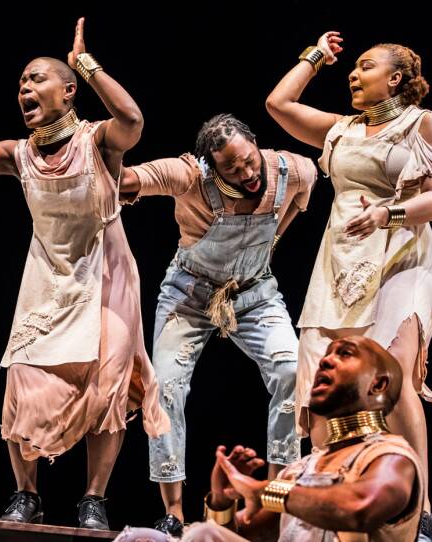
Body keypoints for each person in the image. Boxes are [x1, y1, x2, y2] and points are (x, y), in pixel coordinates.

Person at [0, 18, 169, 530]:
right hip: (48, 277)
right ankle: (26, 493)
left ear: (68, 91)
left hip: (106, 273)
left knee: (106, 385)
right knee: (23, 377)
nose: (24, 89)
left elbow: (132, 118)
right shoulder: (20, 155)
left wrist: (86, 63)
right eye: (20, 84)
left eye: (36, 79)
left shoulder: (98, 141)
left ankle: (94, 499)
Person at [265, 31, 432, 538]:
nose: (353, 73)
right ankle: (332, 499)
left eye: (365, 66)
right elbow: (278, 104)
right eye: (354, 66)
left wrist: (388, 213)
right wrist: (316, 56)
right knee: (327, 383)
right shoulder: (340, 129)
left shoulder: (422, 124)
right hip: (339, 261)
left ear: (396, 78)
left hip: (399, 257)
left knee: (395, 370)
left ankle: (420, 505)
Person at [118, 113, 317, 536]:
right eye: (232, 169)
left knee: (291, 370)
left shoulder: (292, 170)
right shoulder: (191, 176)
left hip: (255, 294)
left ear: (256, 145)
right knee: (165, 386)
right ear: (212, 167)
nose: (246, 174)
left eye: (249, 161)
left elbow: (307, 189)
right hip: (189, 296)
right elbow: (135, 178)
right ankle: (173, 510)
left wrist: (273, 240)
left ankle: (276, 497)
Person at [115, 336, 423, 542]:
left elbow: (360, 508)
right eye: (326, 354)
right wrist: (222, 500)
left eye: (345, 354)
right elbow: (244, 535)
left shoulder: (392, 456)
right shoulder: (301, 470)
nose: (326, 361)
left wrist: (264, 490)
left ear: (378, 385)